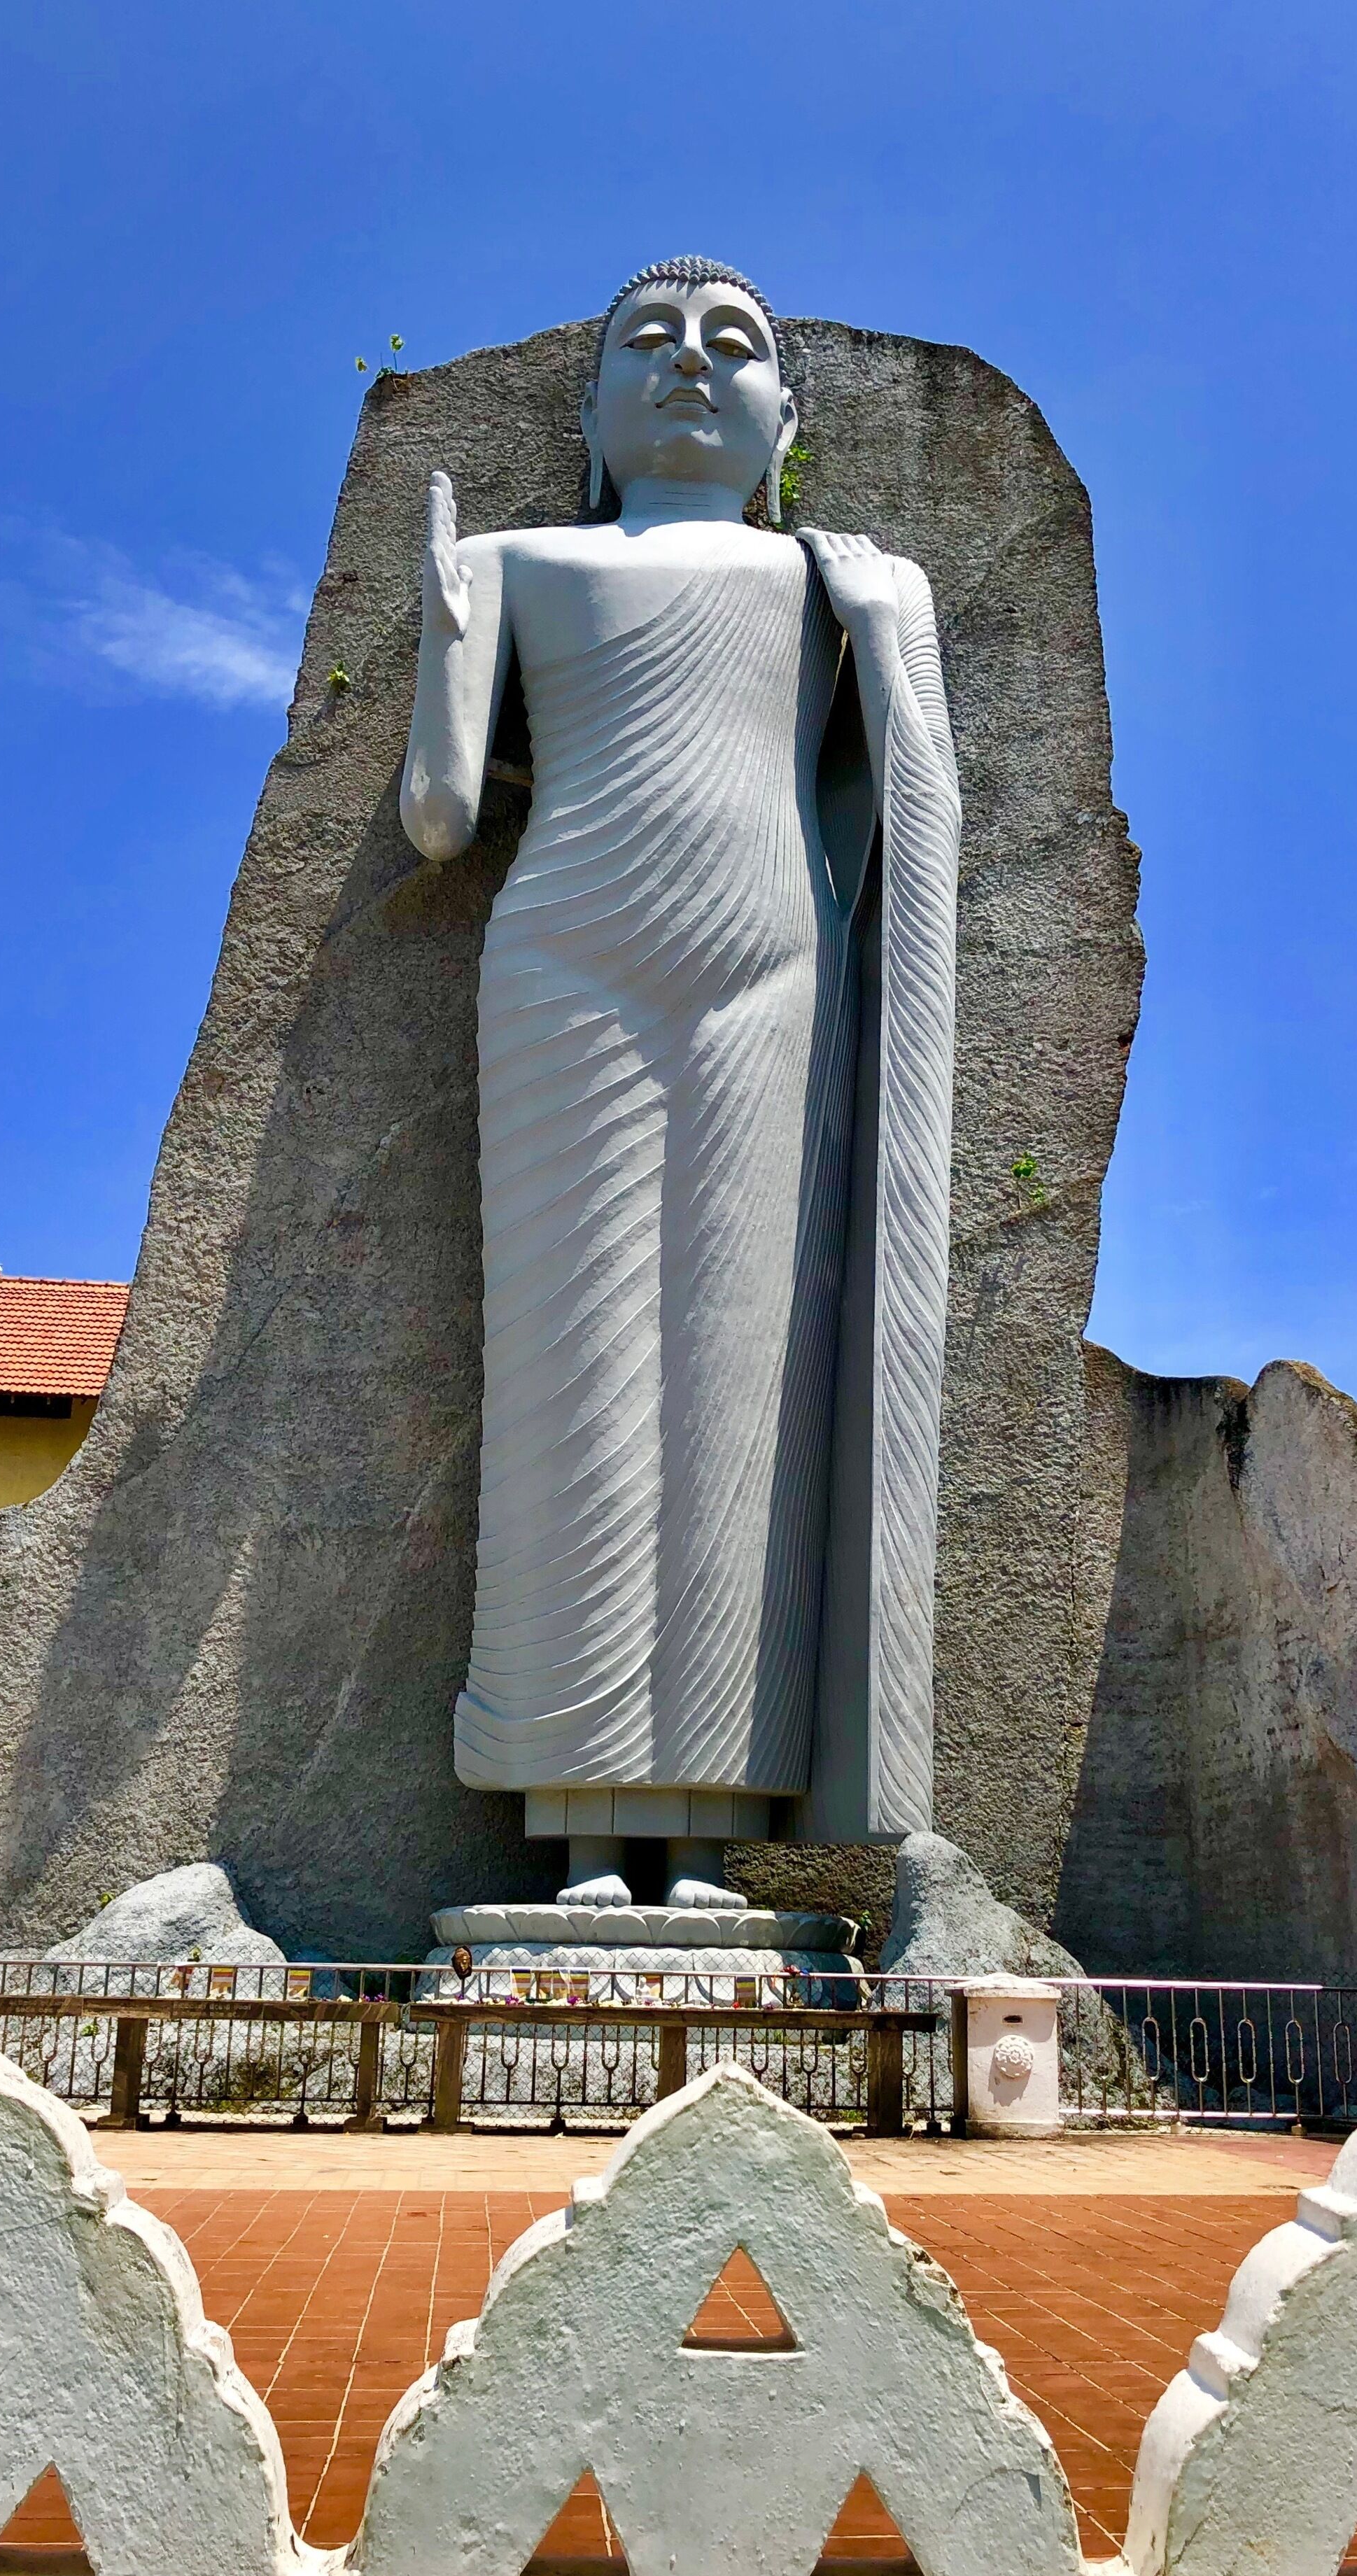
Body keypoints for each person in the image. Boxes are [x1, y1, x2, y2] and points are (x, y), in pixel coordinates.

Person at [402, 259, 959, 1893]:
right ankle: (570, 1807)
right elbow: (441, 821)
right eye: (646, 343)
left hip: (769, 965)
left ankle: (714, 1809)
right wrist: (443, 632)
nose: (692, 367)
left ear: (788, 416)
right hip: (565, 957)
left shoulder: (833, 583)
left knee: (743, 1385)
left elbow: (915, 797)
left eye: (736, 347)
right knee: (570, 1371)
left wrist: (883, 629)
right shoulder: (516, 560)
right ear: (586, 413)